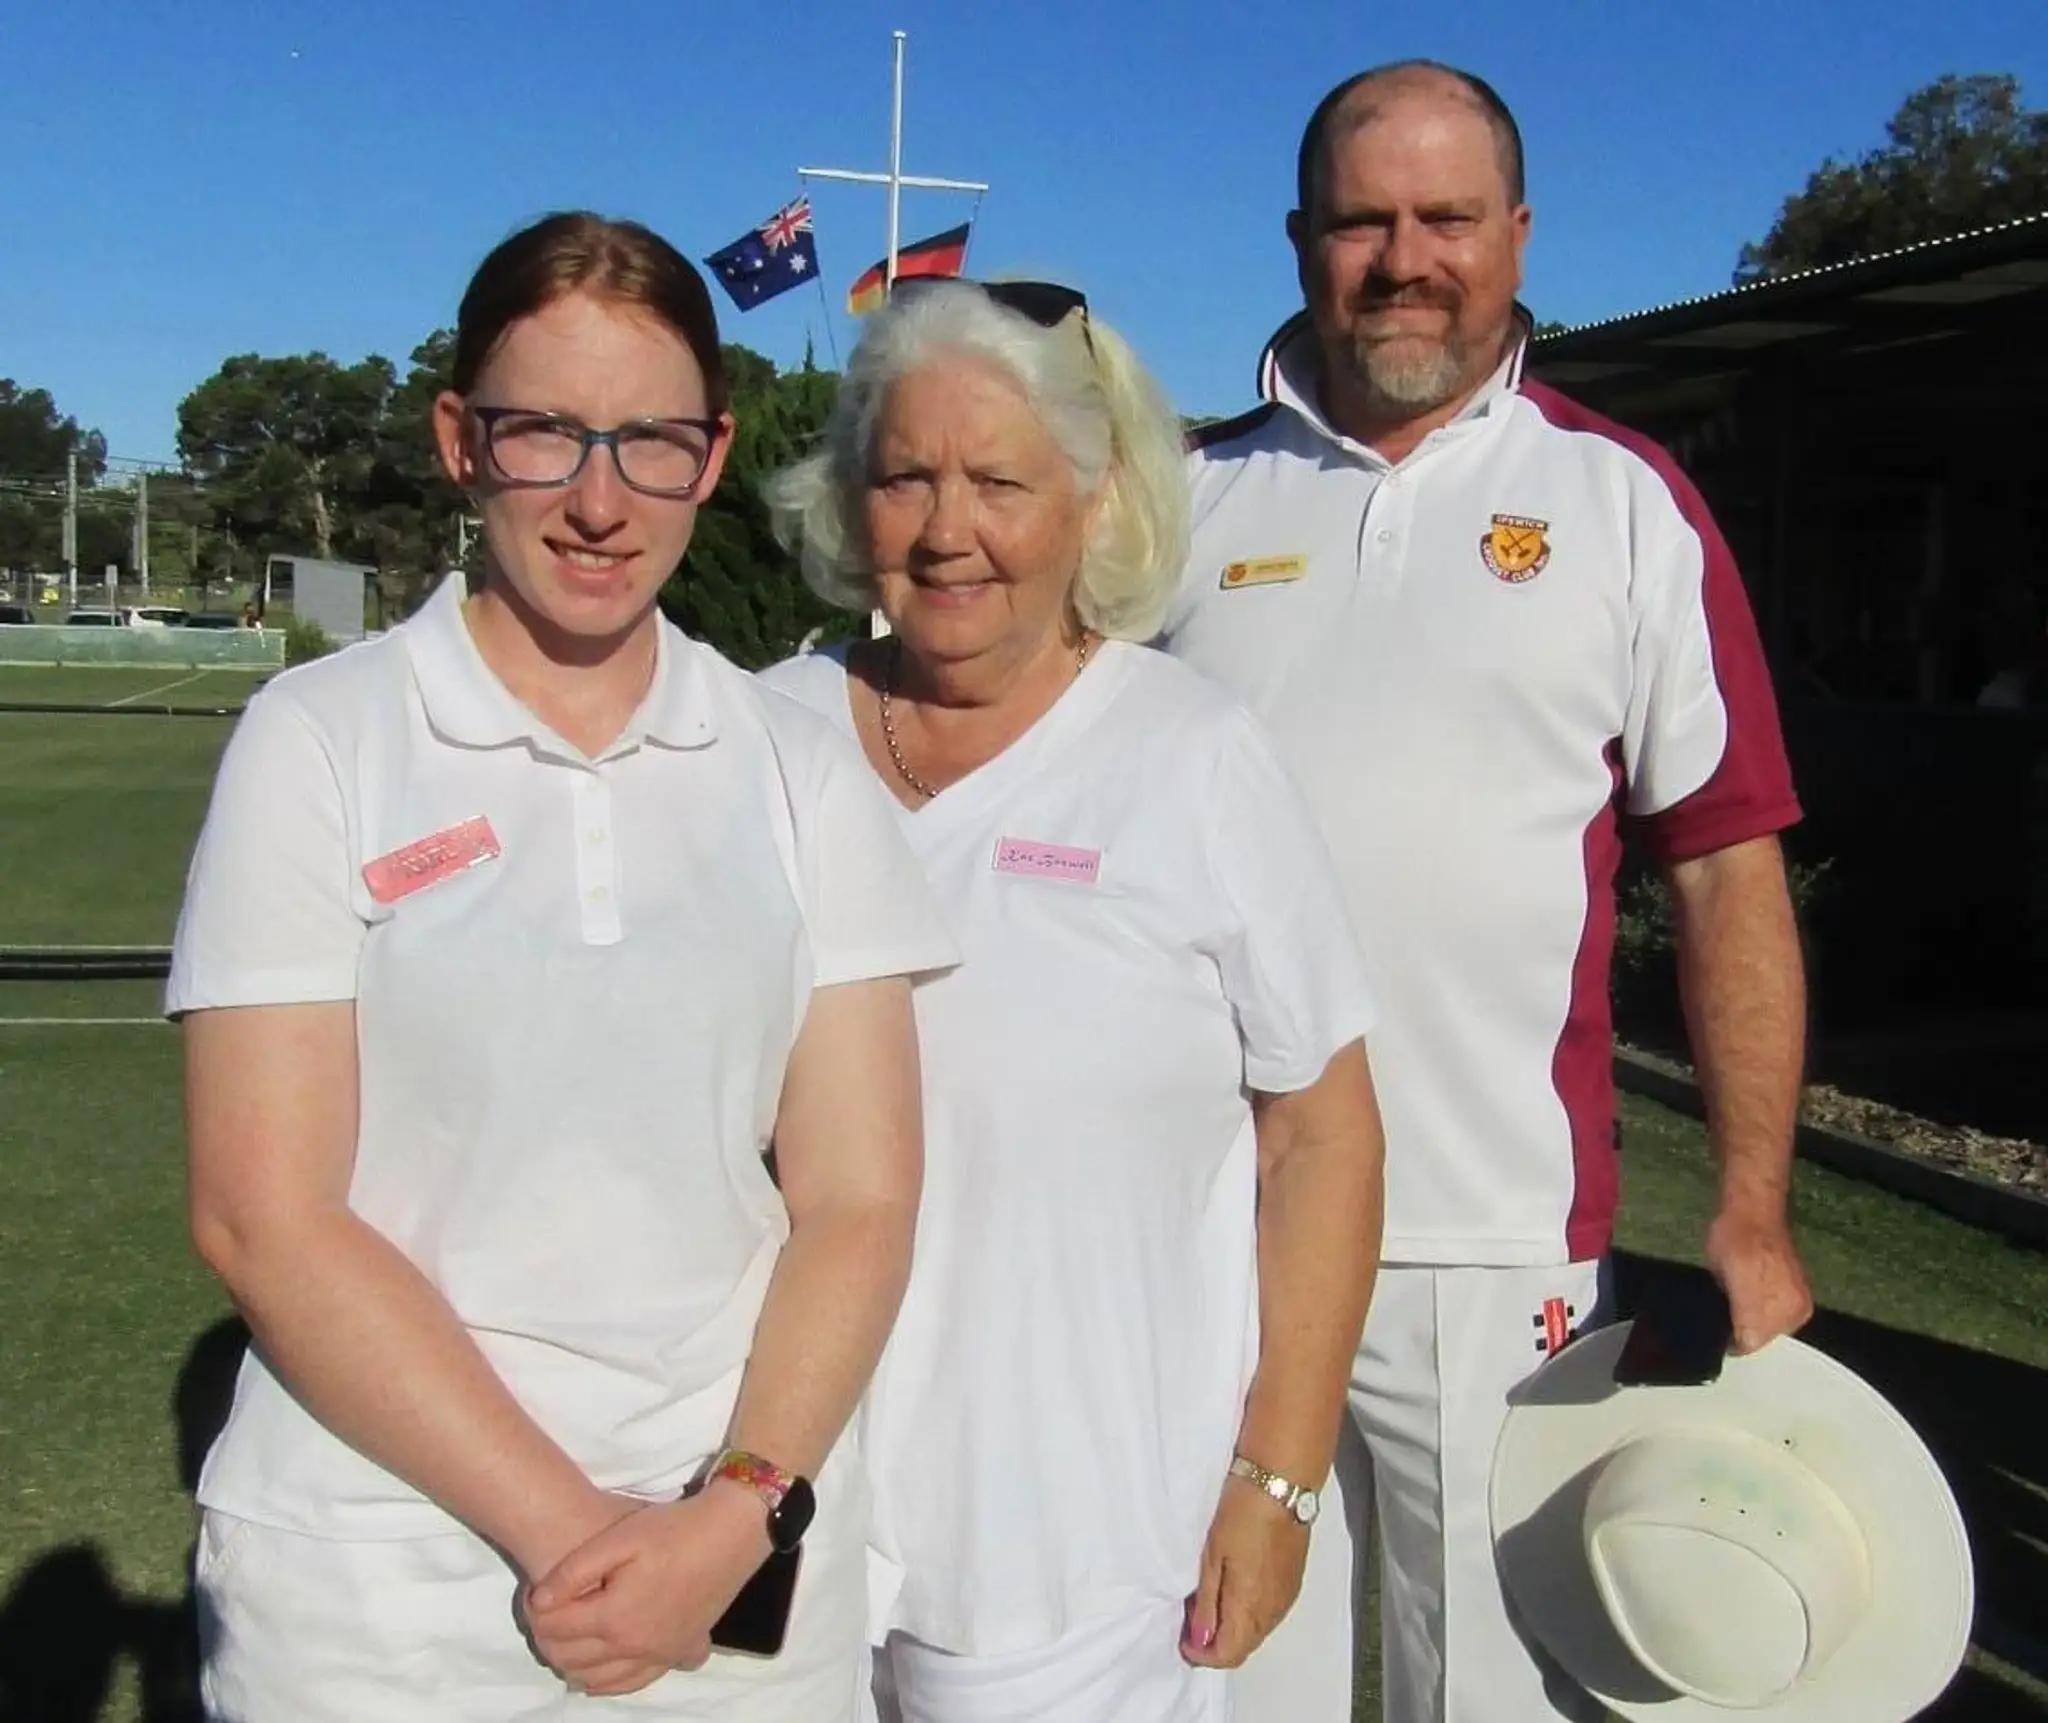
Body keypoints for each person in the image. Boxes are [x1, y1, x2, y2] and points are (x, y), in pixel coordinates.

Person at [169, 211, 956, 1722]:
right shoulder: (323, 741)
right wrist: (577, 1536)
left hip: (735, 1585)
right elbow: (261, 1212)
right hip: (383, 1592)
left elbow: (861, 1197)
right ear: (464, 442)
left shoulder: (796, 764)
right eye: (547, 435)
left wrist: (731, 1515)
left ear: (712, 460)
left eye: (652, 441)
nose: (602, 499)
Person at [1160, 62, 1817, 1723]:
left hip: (1500, 1251)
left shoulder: (1624, 508)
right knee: (1219, 1680)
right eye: (1364, 219)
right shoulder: (1173, 503)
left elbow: (1728, 873)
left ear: (1517, 235)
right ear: (1299, 238)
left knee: (1501, 1694)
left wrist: (1751, 1203)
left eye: (1446, 217)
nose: (1406, 257)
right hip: (1201, 1237)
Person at [759, 278, 1387, 1723]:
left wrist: (1280, 1478)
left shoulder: (1194, 758)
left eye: (999, 480)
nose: (946, 527)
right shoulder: (758, 734)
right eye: (905, 475)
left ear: (1094, 507)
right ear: (850, 504)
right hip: (776, 1506)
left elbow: (1324, 1137)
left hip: (1076, 1553)